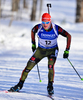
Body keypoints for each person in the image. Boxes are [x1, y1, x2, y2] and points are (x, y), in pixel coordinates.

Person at [8, 13, 71, 95]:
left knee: (50, 66)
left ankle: (50, 86)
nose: (45, 24)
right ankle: (19, 85)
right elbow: (32, 31)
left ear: (50, 21)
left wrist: (67, 50)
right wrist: (33, 44)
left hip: (52, 50)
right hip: (40, 50)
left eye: (47, 22)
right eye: (43, 22)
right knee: (28, 67)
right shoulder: (38, 27)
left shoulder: (56, 28)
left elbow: (68, 36)